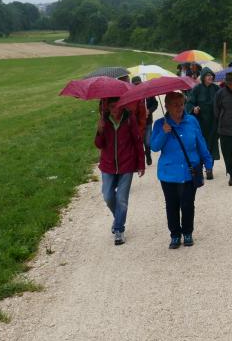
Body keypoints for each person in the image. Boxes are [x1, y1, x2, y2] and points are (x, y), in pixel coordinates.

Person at [150, 91, 214, 249]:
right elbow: (154, 146)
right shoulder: (160, 124)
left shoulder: (192, 121)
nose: (179, 108)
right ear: (167, 106)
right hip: (168, 173)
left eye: (181, 104)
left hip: (189, 171)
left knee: (187, 204)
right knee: (172, 205)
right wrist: (164, 132)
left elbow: (200, 142)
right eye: (175, 105)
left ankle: (187, 232)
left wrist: (208, 161)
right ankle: (175, 235)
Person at [94, 96, 146, 246]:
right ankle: (118, 218)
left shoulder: (129, 119)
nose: (115, 110)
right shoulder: (104, 120)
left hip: (126, 164)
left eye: (117, 106)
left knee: (122, 199)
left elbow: (137, 141)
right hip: (108, 165)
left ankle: (119, 230)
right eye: (111, 107)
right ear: (107, 107)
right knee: (108, 196)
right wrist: (100, 131)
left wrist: (141, 163)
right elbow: (99, 144)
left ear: (122, 105)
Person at [186, 67, 220, 179]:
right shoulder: (197, 89)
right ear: (203, 77)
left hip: (213, 123)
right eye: (208, 75)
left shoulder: (217, 89)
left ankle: (209, 169)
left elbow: (222, 102)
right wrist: (194, 109)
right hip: (200, 123)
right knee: (200, 146)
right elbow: (189, 103)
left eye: (211, 75)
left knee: (212, 145)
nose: (210, 77)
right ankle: (199, 169)